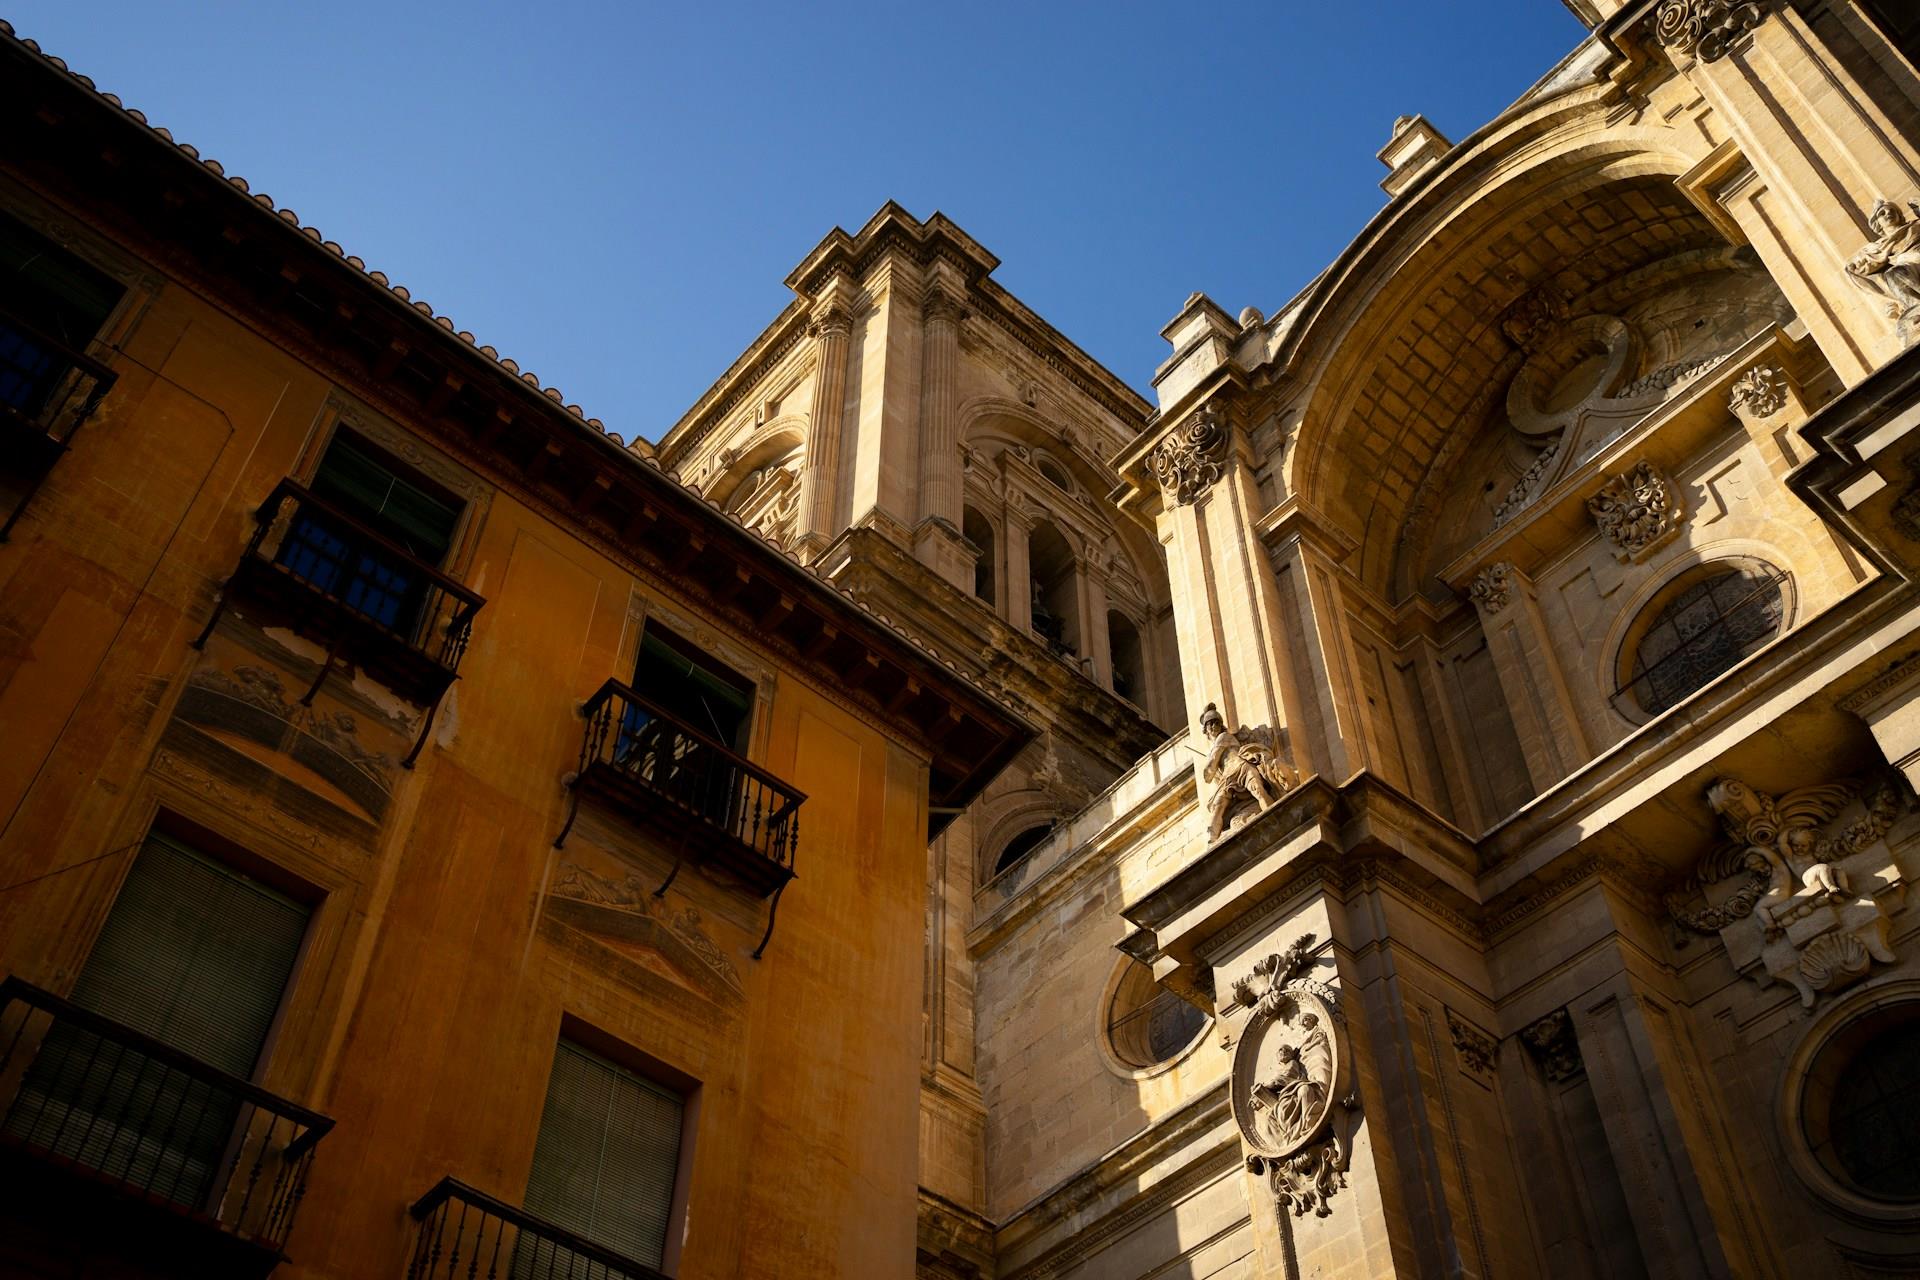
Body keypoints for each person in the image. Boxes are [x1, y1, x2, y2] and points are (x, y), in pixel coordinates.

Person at [1847, 198, 1920, 330]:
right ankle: (1916, 308)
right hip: (1906, 267)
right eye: (1882, 213)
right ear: (1877, 223)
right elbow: (1862, 269)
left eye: (1892, 210)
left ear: (1899, 215)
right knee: (1894, 273)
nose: (1888, 213)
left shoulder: (1915, 226)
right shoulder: (1877, 248)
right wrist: (1854, 268)